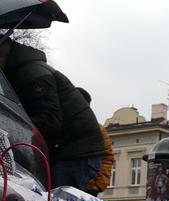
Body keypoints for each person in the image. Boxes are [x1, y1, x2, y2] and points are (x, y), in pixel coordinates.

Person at [0, 36, 106, 190]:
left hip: (75, 153)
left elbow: (49, 119)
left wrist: (12, 127)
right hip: (74, 150)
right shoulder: (26, 69)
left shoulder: (32, 72)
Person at [76, 87, 115, 196]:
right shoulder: (60, 125)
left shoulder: (98, 129)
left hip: (88, 188)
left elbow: (107, 157)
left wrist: (98, 185)